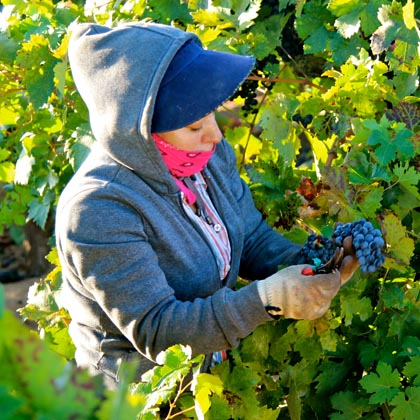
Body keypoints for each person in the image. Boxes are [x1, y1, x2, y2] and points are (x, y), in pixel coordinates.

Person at [55, 21, 358, 389]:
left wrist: (316, 265)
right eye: (195, 125)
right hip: (138, 395)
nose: (214, 135)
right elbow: (158, 330)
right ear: (143, 131)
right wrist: (266, 299)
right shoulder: (97, 210)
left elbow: (252, 237)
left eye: (211, 114)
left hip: (208, 378)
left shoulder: (204, 157)